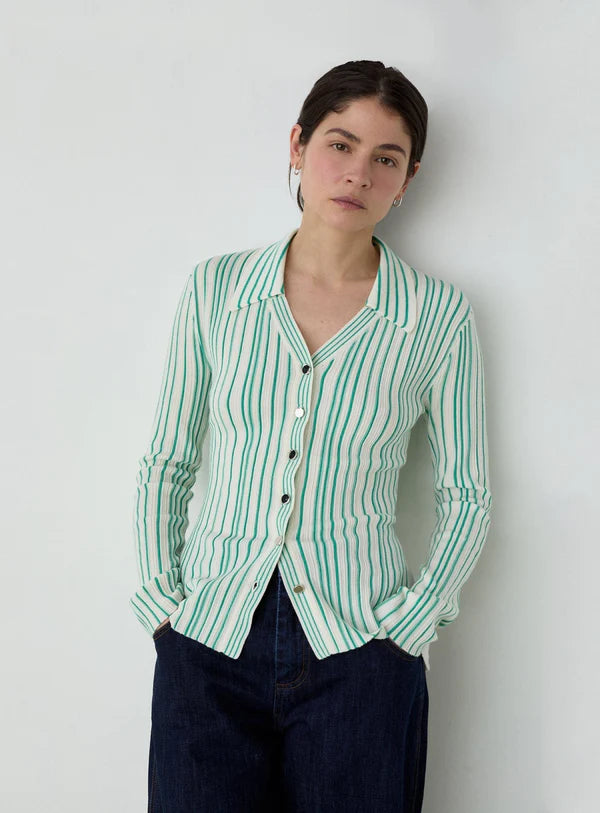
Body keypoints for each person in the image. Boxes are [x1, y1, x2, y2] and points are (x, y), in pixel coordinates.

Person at [130, 59, 492, 812]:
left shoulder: (436, 318)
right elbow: (167, 460)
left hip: (360, 652)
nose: (357, 172)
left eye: (385, 158)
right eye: (340, 143)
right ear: (297, 145)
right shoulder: (217, 292)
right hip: (208, 641)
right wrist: (162, 601)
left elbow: (468, 493)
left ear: (407, 177)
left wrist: (410, 626)